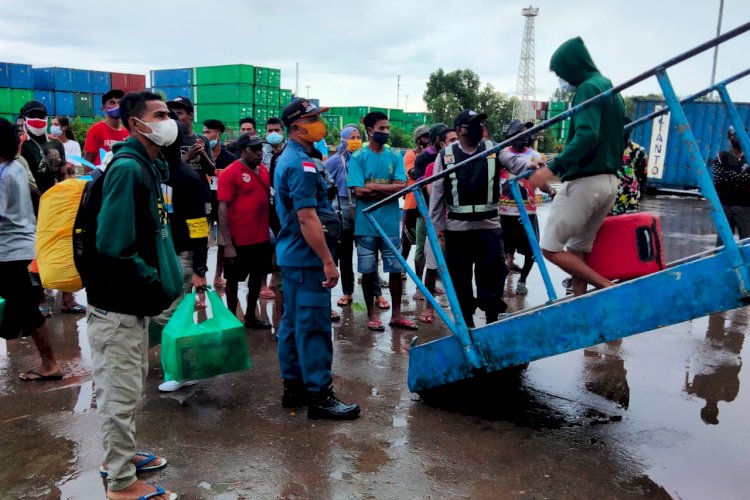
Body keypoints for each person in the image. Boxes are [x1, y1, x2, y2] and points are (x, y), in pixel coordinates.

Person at [85, 91, 182, 500]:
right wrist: (151, 282)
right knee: (119, 391)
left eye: (169, 114)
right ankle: (121, 482)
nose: (168, 121)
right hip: (120, 303)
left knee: (128, 382)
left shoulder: (148, 163)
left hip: (132, 302)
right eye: (159, 115)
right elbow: (113, 244)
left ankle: (121, 456)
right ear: (135, 123)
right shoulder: (129, 169)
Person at [274, 97, 360, 419]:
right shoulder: (300, 164)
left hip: (294, 257)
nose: (319, 124)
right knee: (313, 327)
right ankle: (320, 396)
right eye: (312, 119)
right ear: (296, 127)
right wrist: (327, 260)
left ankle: (294, 389)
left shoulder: (295, 158)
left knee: (294, 324)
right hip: (307, 258)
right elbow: (307, 217)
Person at [529, 36, 623, 296]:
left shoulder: (587, 88)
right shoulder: (609, 88)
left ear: (572, 67)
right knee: (577, 250)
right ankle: (578, 303)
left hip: (585, 182)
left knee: (550, 248)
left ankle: (605, 287)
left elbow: (586, 135)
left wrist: (551, 168)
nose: (562, 80)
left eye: (561, 73)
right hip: (608, 182)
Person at [429, 110, 521, 327]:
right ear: (460, 129)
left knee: (492, 277)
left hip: (488, 228)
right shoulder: (446, 156)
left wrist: (532, 165)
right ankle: (467, 325)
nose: (480, 127)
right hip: (457, 231)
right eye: (474, 124)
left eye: (481, 123)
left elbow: (515, 162)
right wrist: (437, 228)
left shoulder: (493, 149)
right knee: (460, 281)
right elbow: (438, 194)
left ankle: (491, 323)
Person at [0, 117, 63, 382]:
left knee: (28, 308)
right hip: (19, 248)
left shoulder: (3, 173)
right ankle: (47, 361)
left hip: (9, 251)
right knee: (24, 307)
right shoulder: (14, 167)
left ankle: (50, 364)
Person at [151, 121, 210, 392]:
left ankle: (182, 370)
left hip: (183, 253)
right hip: (160, 251)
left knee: (173, 314)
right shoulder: (152, 173)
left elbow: (199, 224)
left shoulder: (187, 176)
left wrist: (200, 267)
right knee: (165, 311)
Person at [348, 111, 416, 331]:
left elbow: (402, 187)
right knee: (368, 271)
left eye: (387, 128)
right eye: (381, 129)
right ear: (370, 131)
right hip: (365, 224)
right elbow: (358, 192)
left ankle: (396, 315)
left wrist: (373, 187)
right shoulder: (358, 157)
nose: (385, 132)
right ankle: (372, 314)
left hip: (389, 224)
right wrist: (388, 190)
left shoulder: (395, 155)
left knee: (395, 270)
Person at [218, 133, 273, 330]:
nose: (259, 153)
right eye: (254, 149)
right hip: (239, 240)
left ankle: (250, 316)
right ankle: (232, 318)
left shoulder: (264, 171)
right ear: (243, 151)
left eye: (260, 149)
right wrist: (227, 244)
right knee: (232, 281)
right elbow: (222, 208)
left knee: (257, 279)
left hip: (261, 239)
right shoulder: (231, 172)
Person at [498, 120, 554, 295]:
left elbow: (541, 182)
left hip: (527, 210)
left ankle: (522, 280)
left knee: (531, 249)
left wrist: (550, 189)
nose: (525, 137)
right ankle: (500, 280)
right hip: (504, 211)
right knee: (501, 249)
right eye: (520, 133)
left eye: (527, 133)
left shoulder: (535, 155)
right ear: (511, 137)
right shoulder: (502, 154)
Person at [414, 124, 457, 323]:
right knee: (431, 264)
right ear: (442, 144)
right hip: (440, 221)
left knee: (458, 266)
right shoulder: (432, 166)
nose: (456, 144)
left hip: (460, 222)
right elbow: (434, 195)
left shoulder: (465, 163)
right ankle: (429, 307)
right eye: (452, 141)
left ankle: (459, 307)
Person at [202, 119, 237, 288]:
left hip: (224, 205)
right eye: (204, 132)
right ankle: (201, 276)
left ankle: (218, 275)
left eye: (209, 132)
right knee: (204, 243)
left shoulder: (230, 158)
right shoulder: (201, 155)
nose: (206, 135)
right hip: (205, 204)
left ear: (219, 134)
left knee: (223, 243)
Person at [712, 126, 750, 243]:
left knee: (747, 243)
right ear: (729, 138)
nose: (737, 139)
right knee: (722, 244)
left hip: (746, 206)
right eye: (734, 136)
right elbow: (718, 180)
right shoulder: (721, 157)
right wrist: (742, 177)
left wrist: (729, 175)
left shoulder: (748, 157)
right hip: (725, 206)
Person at [19, 100, 66, 195]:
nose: (37, 118)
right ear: (24, 119)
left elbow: (63, 174)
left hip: (52, 199)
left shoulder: (57, 143)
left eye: (41, 116)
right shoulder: (19, 144)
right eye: (32, 115)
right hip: (28, 201)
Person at [402, 125, 430, 266]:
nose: (428, 139)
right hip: (412, 203)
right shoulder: (411, 154)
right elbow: (413, 173)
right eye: (425, 136)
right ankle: (400, 269)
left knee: (423, 243)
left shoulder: (433, 155)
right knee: (406, 241)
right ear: (418, 139)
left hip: (427, 203)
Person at [83, 89, 129, 168]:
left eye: (120, 103)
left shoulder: (127, 133)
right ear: (104, 108)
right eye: (112, 103)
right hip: (102, 177)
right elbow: (88, 161)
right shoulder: (96, 130)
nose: (117, 106)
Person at [610, 117, 647, 215]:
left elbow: (642, 177)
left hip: (629, 202)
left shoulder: (638, 151)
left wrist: (639, 196)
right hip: (608, 200)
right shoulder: (606, 149)